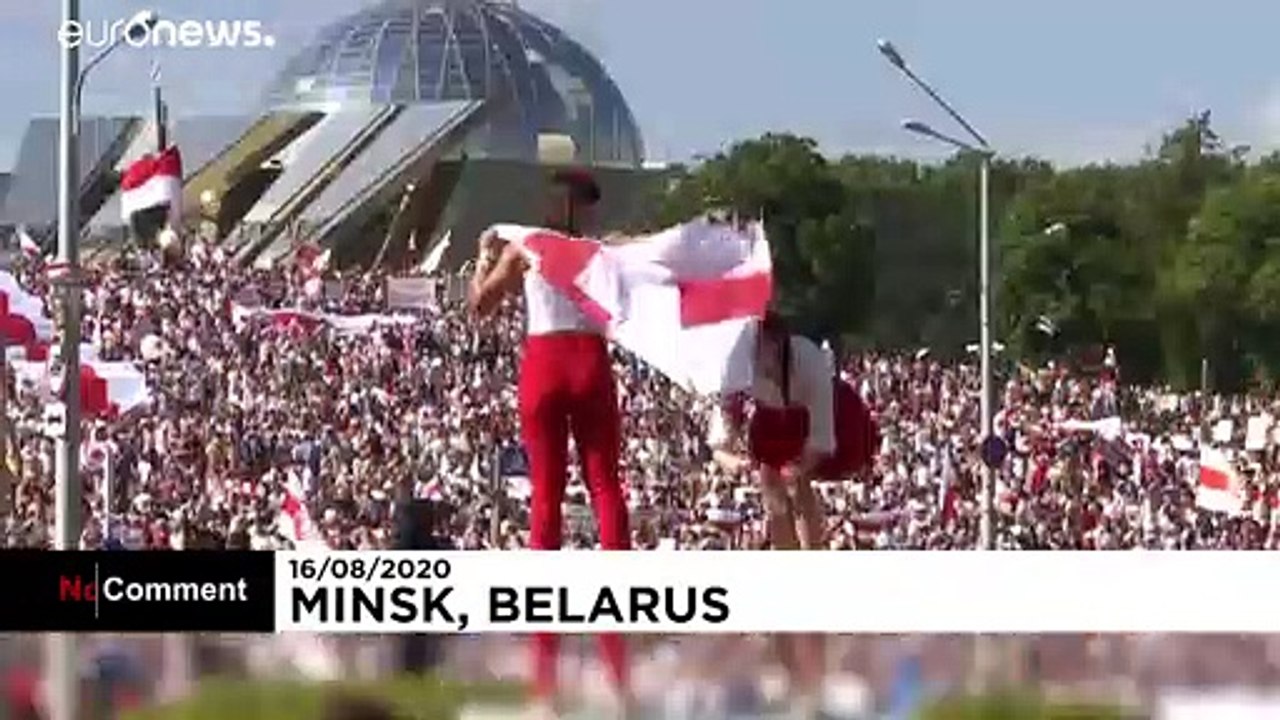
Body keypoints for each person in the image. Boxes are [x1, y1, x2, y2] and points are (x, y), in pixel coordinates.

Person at [467, 168, 631, 717]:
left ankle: (544, 673)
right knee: (606, 489)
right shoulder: (600, 251)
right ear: (584, 207)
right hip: (589, 361)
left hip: (543, 363)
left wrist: (483, 258)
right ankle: (617, 654)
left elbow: (480, 305)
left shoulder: (526, 246)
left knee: (545, 502)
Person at [707, 311, 877, 716]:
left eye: (767, 350)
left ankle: (812, 563)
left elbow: (822, 440)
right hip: (771, 425)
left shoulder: (810, 363)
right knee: (773, 492)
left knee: (800, 491)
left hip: (824, 420)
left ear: (780, 345)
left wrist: (797, 470)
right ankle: (787, 570)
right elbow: (720, 441)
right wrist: (739, 463)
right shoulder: (737, 364)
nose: (761, 360)